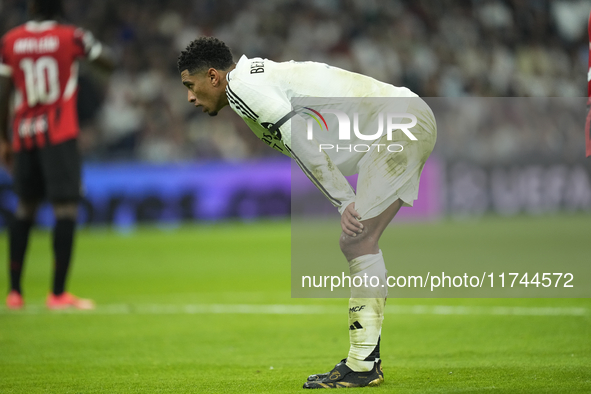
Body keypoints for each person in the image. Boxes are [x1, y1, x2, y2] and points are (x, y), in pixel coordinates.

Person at [177, 37, 436, 389]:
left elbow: (300, 140)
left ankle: (363, 364)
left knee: (358, 241)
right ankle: (364, 362)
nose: (190, 98)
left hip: (400, 124)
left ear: (213, 76)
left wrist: (344, 201)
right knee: (359, 242)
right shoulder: (252, 81)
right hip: (404, 117)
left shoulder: (243, 89)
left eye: (190, 86)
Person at [0, 0, 114, 310]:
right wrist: (86, 44)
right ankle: (58, 293)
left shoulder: (11, 40)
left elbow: (4, 90)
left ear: (32, 9)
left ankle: (14, 293)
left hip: (23, 134)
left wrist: (2, 138)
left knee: (25, 207)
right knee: (65, 209)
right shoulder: (70, 36)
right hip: (59, 132)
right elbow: (108, 62)